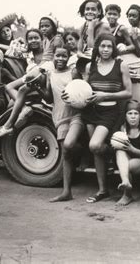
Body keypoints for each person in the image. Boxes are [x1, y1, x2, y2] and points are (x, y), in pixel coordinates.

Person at [83, 33, 133, 203]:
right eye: (102, 46)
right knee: (95, 151)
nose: (105, 50)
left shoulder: (121, 65)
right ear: (97, 47)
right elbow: (85, 89)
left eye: (109, 46)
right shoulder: (91, 67)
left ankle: (111, 153)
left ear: (113, 48)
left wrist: (106, 95)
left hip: (110, 112)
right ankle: (103, 190)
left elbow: (128, 92)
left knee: (96, 145)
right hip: (91, 112)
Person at [31, 46, 84, 203]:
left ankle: (83, 151)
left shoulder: (73, 72)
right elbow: (49, 98)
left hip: (76, 114)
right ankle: (66, 192)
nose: (60, 59)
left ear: (69, 57)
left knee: (68, 145)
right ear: (52, 56)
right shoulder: (50, 74)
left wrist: (74, 95)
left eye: (64, 56)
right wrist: (37, 88)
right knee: (66, 153)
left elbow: (83, 92)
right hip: (59, 117)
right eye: (58, 56)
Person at [0, 29, 45, 138]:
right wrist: (15, 42)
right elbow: (9, 52)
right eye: (30, 39)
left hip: (42, 78)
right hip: (30, 79)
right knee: (10, 96)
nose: (33, 41)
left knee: (12, 93)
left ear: (42, 39)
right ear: (27, 41)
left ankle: (10, 124)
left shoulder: (46, 52)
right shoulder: (27, 53)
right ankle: (23, 112)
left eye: (36, 38)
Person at [112, 99, 140, 206]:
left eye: (136, 113)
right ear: (125, 116)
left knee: (126, 165)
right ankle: (126, 183)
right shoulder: (123, 129)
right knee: (119, 152)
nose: (133, 116)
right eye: (130, 113)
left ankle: (127, 194)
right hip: (126, 160)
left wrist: (132, 149)